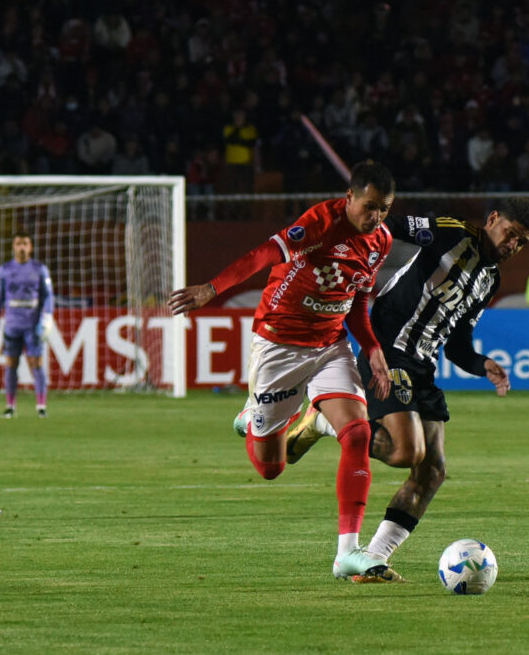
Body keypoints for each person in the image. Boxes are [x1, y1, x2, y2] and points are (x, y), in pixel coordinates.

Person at [167, 161, 398, 581]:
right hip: (280, 345)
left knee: (360, 432)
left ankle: (348, 552)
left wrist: (373, 349)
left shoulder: (380, 241)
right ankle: (255, 419)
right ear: (350, 198)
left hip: (330, 345)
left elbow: (358, 301)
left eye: (384, 208)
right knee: (271, 468)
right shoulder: (319, 223)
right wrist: (210, 289)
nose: (376, 216)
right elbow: (262, 254)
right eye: (370, 206)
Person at [286, 197, 529, 570]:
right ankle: (326, 420)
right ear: (493, 218)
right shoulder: (448, 232)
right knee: (407, 451)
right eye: (511, 234)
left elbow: (457, 344)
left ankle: (372, 561)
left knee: (432, 470)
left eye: (521, 242)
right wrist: (358, 265)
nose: (513, 246)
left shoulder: (489, 279)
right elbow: (389, 227)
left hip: (423, 367)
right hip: (388, 351)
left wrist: (482, 363)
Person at [0, 232, 55, 419]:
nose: (22, 247)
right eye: (18, 243)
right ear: (13, 247)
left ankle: (41, 406)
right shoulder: (5, 269)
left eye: (25, 243)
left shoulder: (40, 269)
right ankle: (10, 406)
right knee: (11, 364)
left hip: (33, 324)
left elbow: (48, 295)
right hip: (12, 324)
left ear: (31, 247)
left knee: (36, 363)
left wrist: (47, 319)